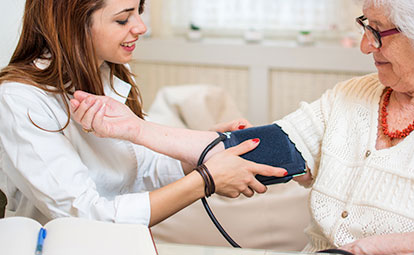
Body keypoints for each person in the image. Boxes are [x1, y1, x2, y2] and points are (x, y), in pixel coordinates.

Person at [68, 0, 414, 254]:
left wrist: (367, 250)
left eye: (378, 32)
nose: (366, 45)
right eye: (366, 24)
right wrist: (134, 129)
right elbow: (259, 148)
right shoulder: (354, 95)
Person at [0, 0, 288, 227]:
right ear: (72, 24)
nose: (140, 27)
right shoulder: (19, 99)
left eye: (140, 10)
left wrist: (204, 148)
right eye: (123, 18)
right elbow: (86, 216)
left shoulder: (110, 74)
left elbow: (141, 171)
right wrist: (205, 180)